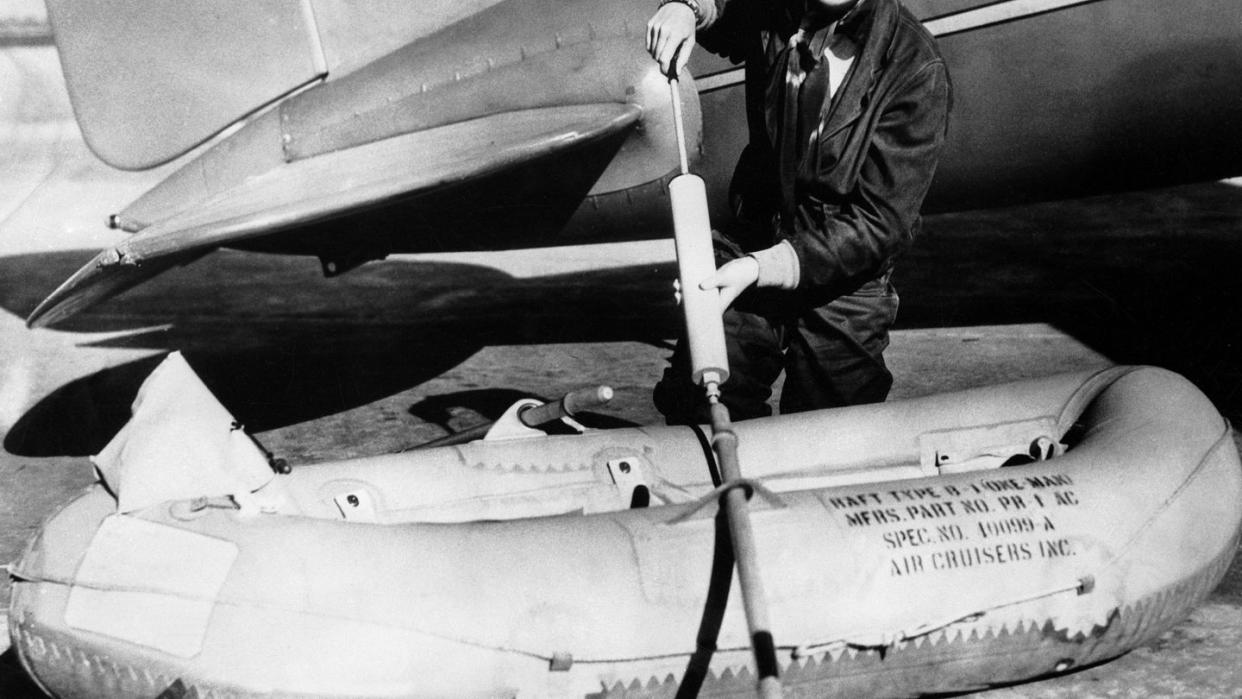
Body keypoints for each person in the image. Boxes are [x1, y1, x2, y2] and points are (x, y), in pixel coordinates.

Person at [647, 0, 951, 422]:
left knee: (827, 442)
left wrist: (762, 268)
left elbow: (879, 224)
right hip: (756, 238)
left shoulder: (916, 68)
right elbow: (724, 10)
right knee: (699, 406)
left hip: (845, 282)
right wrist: (686, 8)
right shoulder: (780, 9)